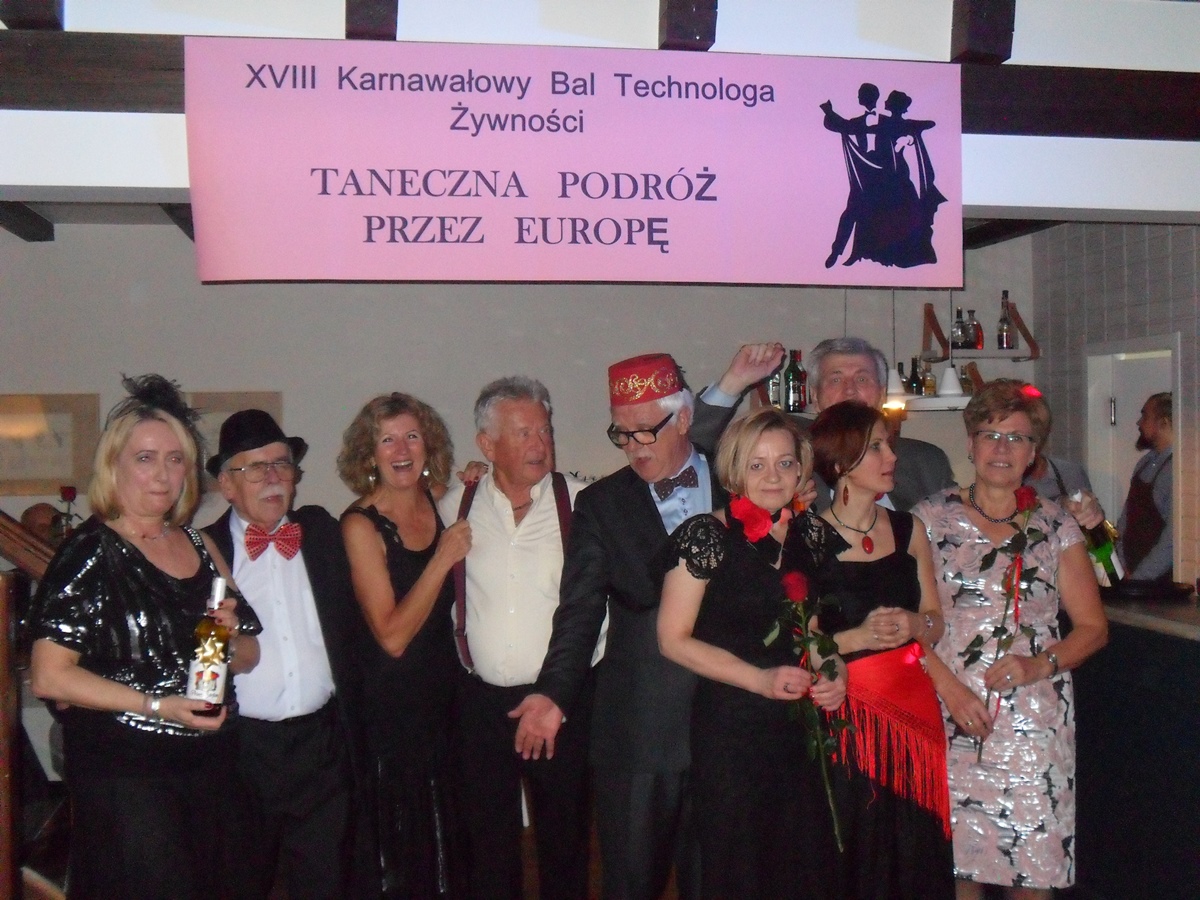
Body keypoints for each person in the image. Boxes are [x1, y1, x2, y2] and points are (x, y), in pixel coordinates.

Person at [521, 346, 787, 900]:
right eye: (622, 434)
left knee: (721, 882)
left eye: (646, 431)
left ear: (685, 419)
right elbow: (579, 610)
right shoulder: (602, 504)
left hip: (731, 722)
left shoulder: (740, 481)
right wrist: (553, 692)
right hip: (640, 731)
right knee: (631, 883)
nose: (635, 447)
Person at [25, 374, 263, 899]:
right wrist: (158, 706)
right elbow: (49, 676)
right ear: (114, 466)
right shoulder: (89, 552)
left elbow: (248, 653)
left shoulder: (200, 545)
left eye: (175, 459)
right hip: (127, 774)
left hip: (212, 764)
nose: (163, 474)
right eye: (145, 458)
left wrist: (227, 639)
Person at [913, 379, 1108, 898]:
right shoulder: (927, 519)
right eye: (991, 435)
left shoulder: (1056, 524)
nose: (1002, 448)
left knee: (1033, 869)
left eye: (1017, 438)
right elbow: (911, 625)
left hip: (1034, 720)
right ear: (970, 444)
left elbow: (1093, 628)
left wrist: (1037, 665)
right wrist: (949, 690)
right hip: (949, 708)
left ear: (1033, 452)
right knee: (958, 869)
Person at [657, 407, 846, 899]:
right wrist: (759, 680)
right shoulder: (705, 535)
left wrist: (833, 671)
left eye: (785, 463)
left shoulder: (812, 534)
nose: (773, 476)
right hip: (731, 729)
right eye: (757, 464)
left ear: (801, 469)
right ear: (734, 471)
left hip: (798, 730)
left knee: (801, 866)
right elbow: (672, 638)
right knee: (739, 867)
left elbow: (813, 631)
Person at [787, 401, 954, 899]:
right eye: (875, 447)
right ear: (840, 463)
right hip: (850, 713)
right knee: (859, 849)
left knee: (915, 848)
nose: (891, 457)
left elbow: (936, 622)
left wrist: (916, 624)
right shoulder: (806, 537)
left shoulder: (908, 529)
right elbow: (799, 638)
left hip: (916, 710)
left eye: (888, 445)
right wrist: (858, 637)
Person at [204, 409, 369, 900]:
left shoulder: (322, 533)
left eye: (281, 464)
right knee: (240, 883)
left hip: (322, 746)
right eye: (256, 467)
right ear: (227, 485)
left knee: (325, 883)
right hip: (241, 752)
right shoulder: (205, 552)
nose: (274, 477)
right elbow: (206, 656)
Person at [438, 377, 593, 900]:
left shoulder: (583, 502)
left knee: (564, 841)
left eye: (544, 430)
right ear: (487, 445)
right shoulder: (456, 504)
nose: (540, 443)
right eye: (523, 433)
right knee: (488, 844)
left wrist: (559, 695)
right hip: (480, 703)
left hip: (561, 699)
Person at [338, 392, 470, 898]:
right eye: (387, 439)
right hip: (392, 711)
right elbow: (391, 637)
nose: (401, 449)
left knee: (448, 843)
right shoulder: (359, 524)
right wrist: (441, 559)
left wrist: (477, 479)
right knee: (403, 851)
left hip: (447, 697)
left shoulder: (438, 499)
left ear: (427, 445)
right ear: (369, 454)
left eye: (412, 436)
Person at [720, 336, 955, 512]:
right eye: (836, 379)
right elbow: (703, 446)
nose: (850, 390)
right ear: (815, 396)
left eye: (862, 378)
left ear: (882, 394)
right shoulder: (786, 453)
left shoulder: (925, 462)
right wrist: (734, 382)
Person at [1117, 391, 1173, 582]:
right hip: (1132, 577)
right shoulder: (1145, 463)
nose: (1139, 423)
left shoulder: (1177, 470)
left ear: (1163, 422)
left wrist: (1140, 578)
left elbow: (1172, 539)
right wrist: (1121, 564)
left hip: (1159, 584)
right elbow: (1125, 520)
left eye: (1145, 416)